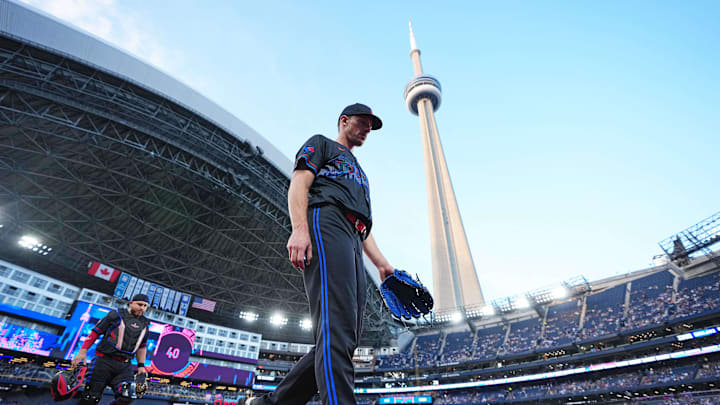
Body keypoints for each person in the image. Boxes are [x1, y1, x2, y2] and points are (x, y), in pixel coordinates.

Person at [249, 103, 395, 405]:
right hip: (326, 221)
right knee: (336, 330)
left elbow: (362, 225)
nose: (368, 128)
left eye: (371, 125)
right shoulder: (323, 144)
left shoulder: (361, 173)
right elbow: (299, 183)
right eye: (363, 122)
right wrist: (299, 228)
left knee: (344, 336)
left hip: (353, 235)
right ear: (344, 121)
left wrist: (381, 264)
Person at [71, 293, 150, 405]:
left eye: (145, 306)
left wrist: (141, 366)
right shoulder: (116, 315)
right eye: (139, 304)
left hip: (124, 365)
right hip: (103, 361)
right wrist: (82, 351)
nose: (142, 308)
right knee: (91, 397)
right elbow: (95, 332)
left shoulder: (145, 323)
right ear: (131, 303)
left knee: (128, 396)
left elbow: (142, 346)